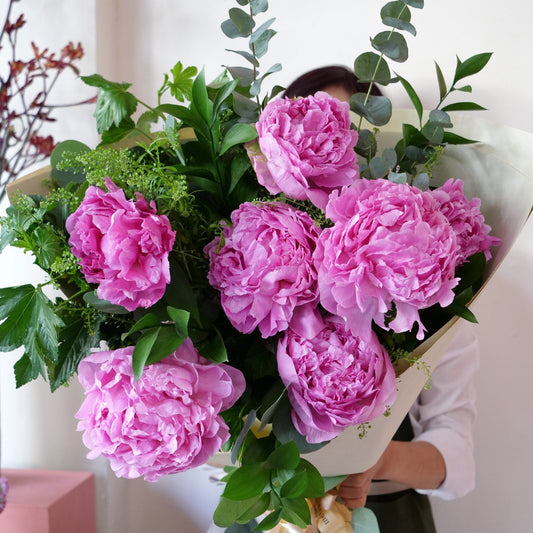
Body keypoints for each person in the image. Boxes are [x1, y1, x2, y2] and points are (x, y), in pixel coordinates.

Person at [284, 65, 479, 533]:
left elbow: (459, 461)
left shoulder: (429, 285)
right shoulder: (261, 271)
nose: (335, 152)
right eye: (318, 133)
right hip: (273, 515)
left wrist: (376, 457)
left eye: (351, 137)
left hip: (387, 516)